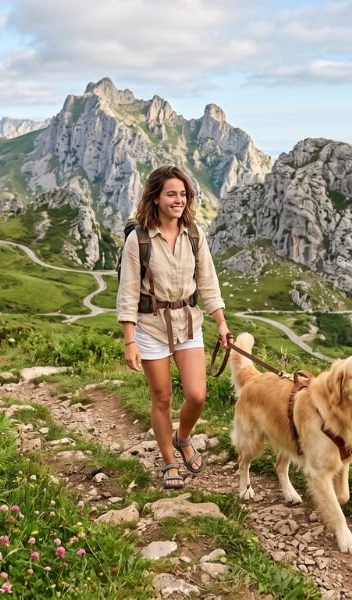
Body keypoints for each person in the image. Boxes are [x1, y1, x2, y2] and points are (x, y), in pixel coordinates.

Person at [117, 165, 231, 489]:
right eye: (171, 194)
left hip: (188, 321)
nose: (179, 200)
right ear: (155, 198)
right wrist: (130, 341)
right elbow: (127, 292)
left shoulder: (194, 234)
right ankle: (168, 461)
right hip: (150, 326)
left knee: (197, 395)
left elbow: (208, 283)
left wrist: (221, 322)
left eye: (183, 194)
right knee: (162, 398)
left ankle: (183, 437)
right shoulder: (138, 240)